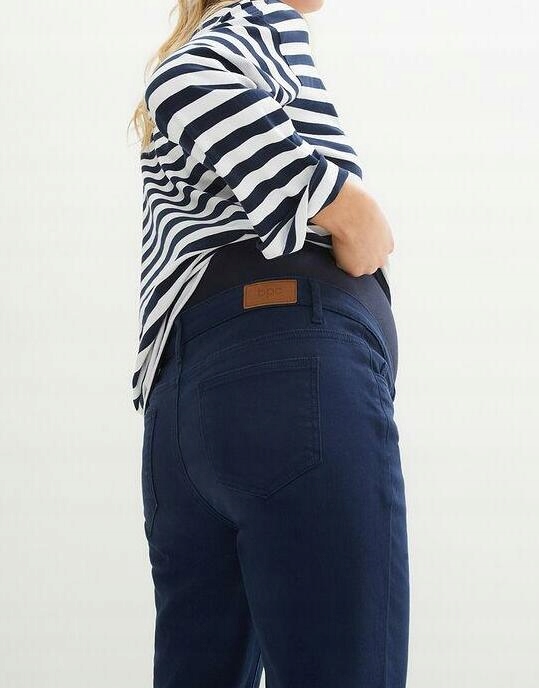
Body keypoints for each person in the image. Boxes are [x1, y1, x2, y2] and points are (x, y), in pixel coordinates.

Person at [129, 1, 409, 686]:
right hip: (288, 372)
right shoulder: (256, 19)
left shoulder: (227, 32)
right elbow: (185, 82)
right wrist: (346, 206)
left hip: (188, 413)